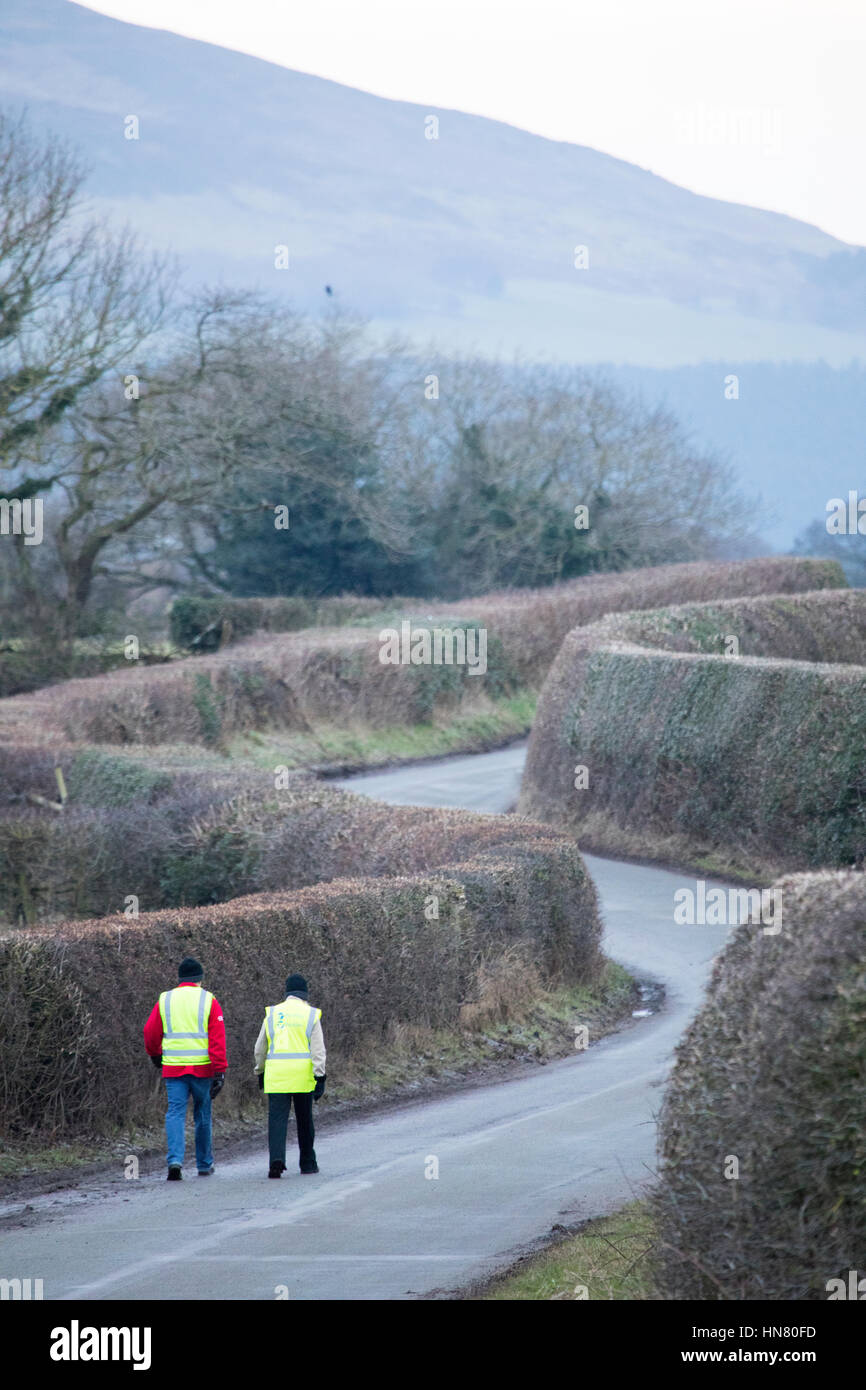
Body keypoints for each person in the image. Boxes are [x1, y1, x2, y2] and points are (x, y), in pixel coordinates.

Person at [143, 957, 227, 1180]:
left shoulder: (165, 999)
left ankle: (175, 1161)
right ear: (200, 979)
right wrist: (220, 1070)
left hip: (173, 1068)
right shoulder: (209, 1000)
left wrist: (155, 1055)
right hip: (203, 1070)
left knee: (175, 1114)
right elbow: (218, 1038)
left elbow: (150, 1032)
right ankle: (204, 1164)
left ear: (180, 979)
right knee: (202, 1114)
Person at [254, 973, 326, 1178]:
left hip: (276, 1076)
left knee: (277, 1121)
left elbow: (260, 1047)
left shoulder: (273, 1013)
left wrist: (260, 1071)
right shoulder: (311, 1014)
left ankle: (276, 1161)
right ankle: (308, 1163)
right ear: (305, 994)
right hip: (302, 1076)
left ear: (286, 993)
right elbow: (318, 1050)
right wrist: (320, 1077)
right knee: (305, 1120)